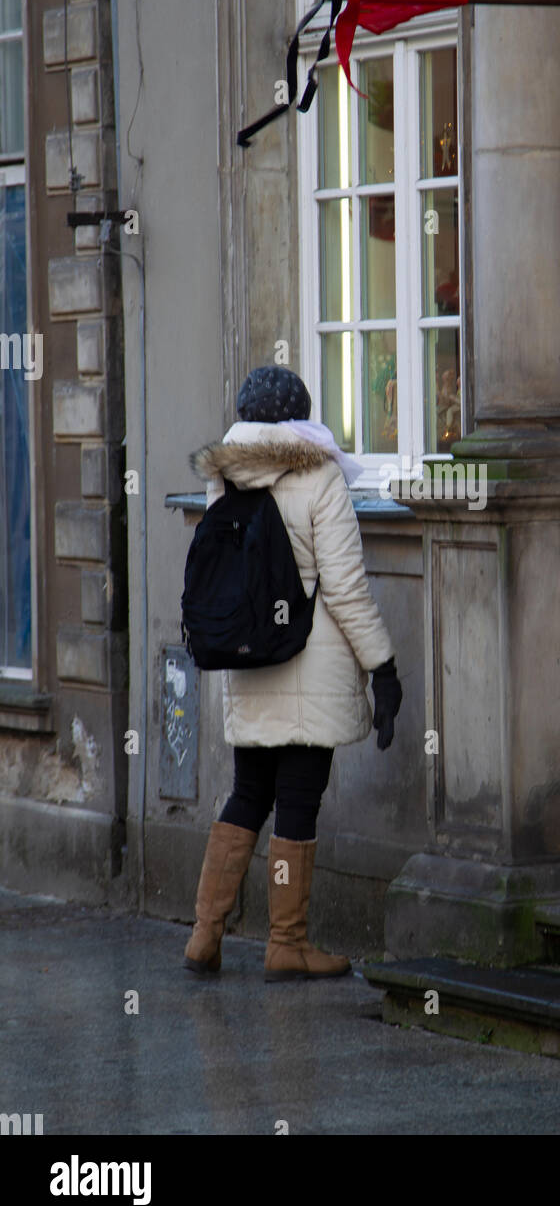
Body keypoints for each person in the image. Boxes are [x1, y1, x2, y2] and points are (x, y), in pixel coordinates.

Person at [183, 366, 402, 981]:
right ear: (302, 416)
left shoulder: (225, 477)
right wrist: (381, 666)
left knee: (247, 794)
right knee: (298, 803)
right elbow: (346, 588)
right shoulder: (319, 474)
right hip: (312, 662)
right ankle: (286, 943)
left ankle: (204, 935)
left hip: (251, 659)